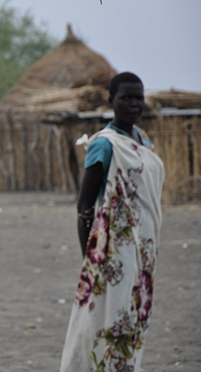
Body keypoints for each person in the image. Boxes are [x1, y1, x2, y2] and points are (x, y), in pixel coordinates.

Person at [60, 72, 165, 372]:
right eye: (126, 98)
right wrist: (89, 259)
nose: (134, 104)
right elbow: (84, 207)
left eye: (138, 98)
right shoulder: (104, 145)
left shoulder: (143, 141)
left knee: (133, 315)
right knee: (105, 317)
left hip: (143, 247)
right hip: (111, 251)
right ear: (111, 101)